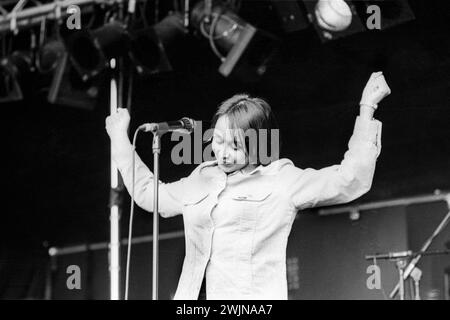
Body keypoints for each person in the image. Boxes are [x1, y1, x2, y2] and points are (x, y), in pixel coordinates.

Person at [105, 72, 391, 300]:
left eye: (236, 146)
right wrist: (119, 138)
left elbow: (349, 180)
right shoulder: (202, 176)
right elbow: (149, 195)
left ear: (257, 145)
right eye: (218, 141)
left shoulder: (281, 180)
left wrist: (367, 110)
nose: (223, 152)